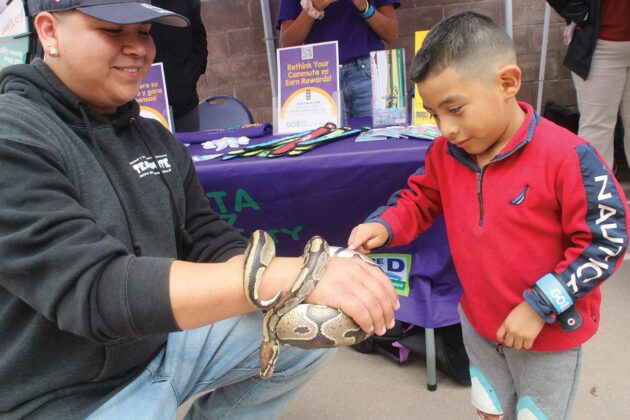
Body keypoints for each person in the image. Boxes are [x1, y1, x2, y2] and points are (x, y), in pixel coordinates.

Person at [0, 0, 399, 418]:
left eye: (143, 32)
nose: (138, 48)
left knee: (314, 318)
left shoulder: (153, 136)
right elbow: (97, 290)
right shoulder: (15, 134)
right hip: (62, 397)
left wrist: (310, 280)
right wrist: (289, 274)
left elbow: (206, 237)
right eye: (113, 31)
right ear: (48, 32)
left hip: (159, 346)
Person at [348, 12, 629, 419]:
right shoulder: (446, 154)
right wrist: (384, 224)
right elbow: (420, 198)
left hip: (546, 335)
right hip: (478, 324)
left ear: (508, 83)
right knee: (490, 410)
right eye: (434, 113)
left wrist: (540, 306)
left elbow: (606, 241)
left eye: (455, 109)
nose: (446, 128)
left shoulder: (569, 158)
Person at [276, 0, 400, 118]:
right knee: (326, 138)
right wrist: (312, 8)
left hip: (371, 69)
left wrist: (364, 7)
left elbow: (392, 34)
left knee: (385, 133)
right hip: (320, 74)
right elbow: (287, 43)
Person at [547, 0, 630, 172]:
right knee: (597, 129)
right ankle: (597, 197)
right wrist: (580, 14)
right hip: (601, 46)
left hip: (605, 41)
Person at [150, 0, 207, 133]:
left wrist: (191, 74)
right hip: (148, 104)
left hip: (185, 103)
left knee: (190, 152)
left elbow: (199, 37)